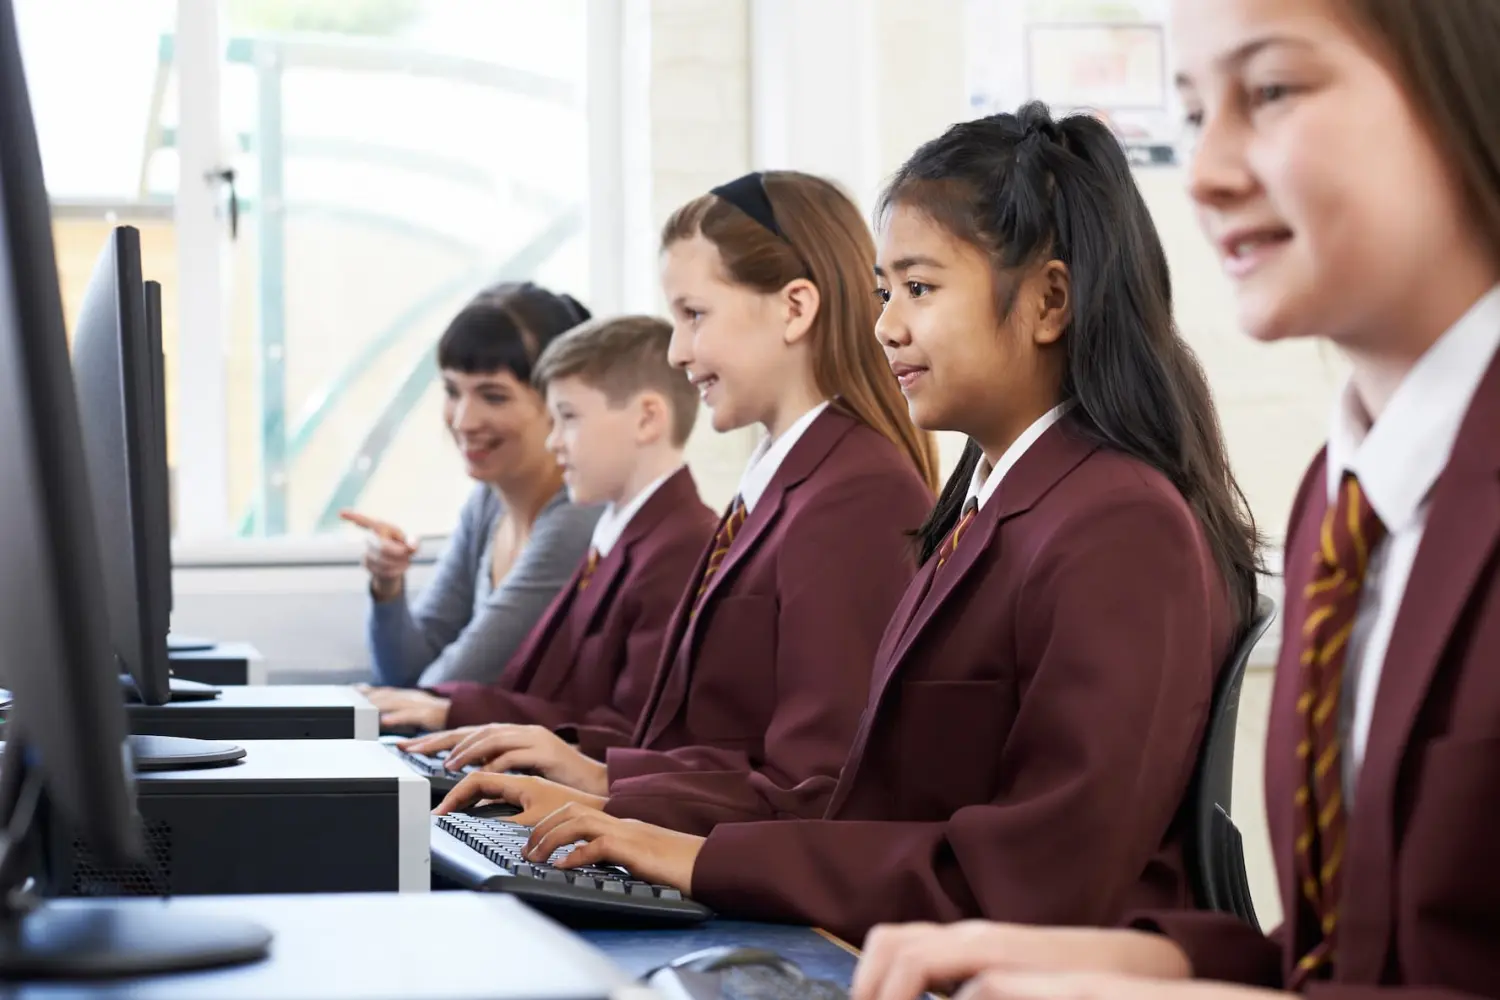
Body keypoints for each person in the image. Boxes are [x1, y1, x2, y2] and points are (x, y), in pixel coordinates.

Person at [436, 105, 1260, 945]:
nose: (886, 325)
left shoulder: (1118, 524)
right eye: (883, 292)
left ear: (1049, 300)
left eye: (921, 288)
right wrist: (642, 818)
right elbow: (862, 794)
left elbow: (1042, 872)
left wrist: (692, 855)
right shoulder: (990, 507)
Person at [841, 2, 1500, 999]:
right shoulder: (1345, 491)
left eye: (1270, 91)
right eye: (1194, 114)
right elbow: (1377, 954)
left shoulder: (1137, 516)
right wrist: (1155, 961)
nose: (1205, 174)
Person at [416, 170, 939, 833]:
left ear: (795, 309)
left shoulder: (855, 493)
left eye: (694, 315)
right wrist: (592, 769)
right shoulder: (782, 483)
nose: (676, 350)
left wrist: (609, 790)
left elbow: (817, 787)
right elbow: (705, 742)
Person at [365, 315, 717, 755]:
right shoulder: (616, 538)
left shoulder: (680, 546)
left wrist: (455, 710)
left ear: (647, 419)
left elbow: (633, 733)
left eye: (567, 418)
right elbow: (553, 696)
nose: (553, 443)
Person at [347, 282, 601, 690]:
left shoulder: (578, 518)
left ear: (559, 399)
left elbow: (441, 691)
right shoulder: (488, 503)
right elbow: (404, 675)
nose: (463, 421)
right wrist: (387, 586)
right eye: (451, 391)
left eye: (493, 396)